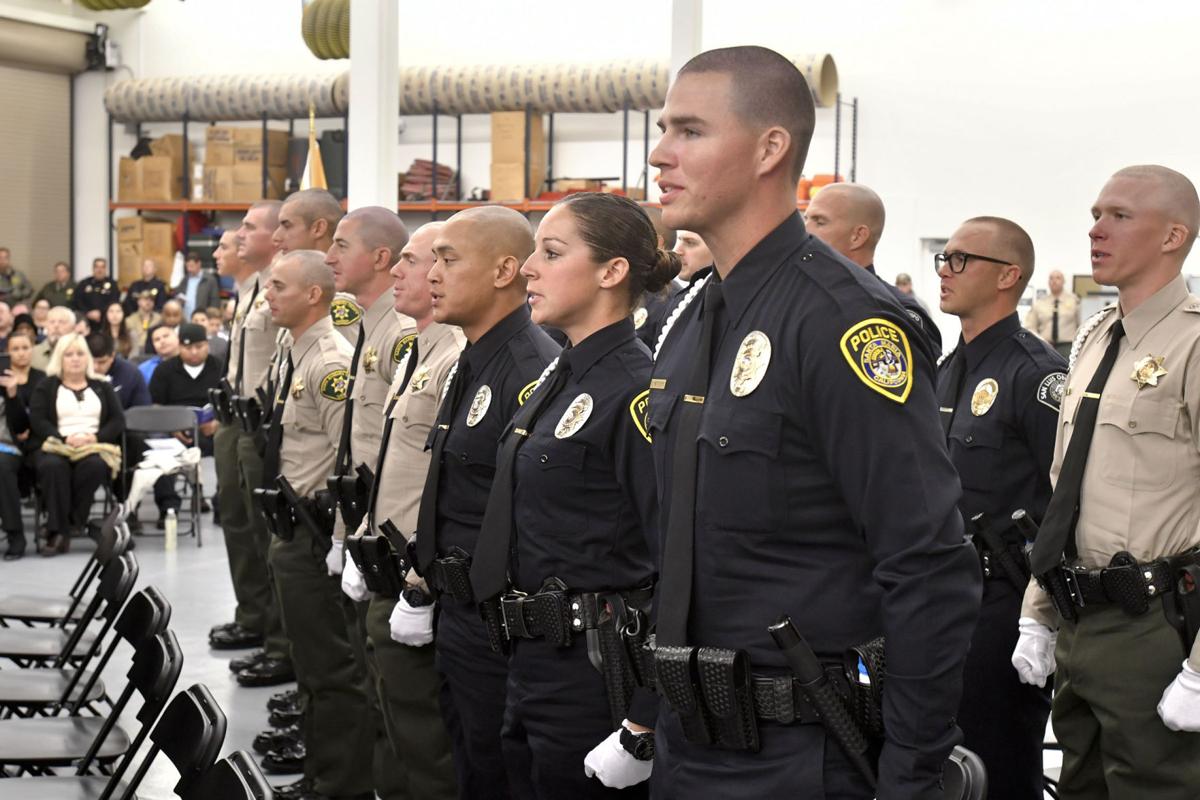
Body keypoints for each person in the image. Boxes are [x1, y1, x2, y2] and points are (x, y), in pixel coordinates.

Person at [646, 46, 980, 798]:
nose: (660, 154)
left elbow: (927, 564)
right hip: (688, 744)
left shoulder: (842, 321)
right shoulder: (695, 318)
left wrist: (912, 774)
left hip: (805, 754)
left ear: (771, 149)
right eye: (664, 130)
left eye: (690, 131)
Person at [467, 193, 670, 797]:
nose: (529, 269)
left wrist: (643, 720)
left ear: (612, 272)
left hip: (594, 670)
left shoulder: (634, 390)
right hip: (531, 656)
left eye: (552, 253)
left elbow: (675, 561)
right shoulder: (561, 373)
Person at [1016, 165, 1200, 798]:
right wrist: (1038, 611)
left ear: (1173, 235)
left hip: (1156, 624)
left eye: (1120, 216)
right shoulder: (1096, 337)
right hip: (1079, 620)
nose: (1096, 229)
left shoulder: (1194, 343)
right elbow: (1065, 488)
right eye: (1096, 214)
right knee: (1079, 785)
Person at [414, 205, 559, 799]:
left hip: (499, 628)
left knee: (498, 772)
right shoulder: (471, 359)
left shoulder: (530, 370)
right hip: (458, 611)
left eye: (448, 260)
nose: (432, 275)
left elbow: (533, 518)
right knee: (469, 762)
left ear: (504, 271)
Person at [935, 216, 1064, 799]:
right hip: (943, 595)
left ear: (1008, 276)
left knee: (1000, 761)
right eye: (944, 257)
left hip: (1004, 602)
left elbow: (1066, 500)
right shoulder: (947, 370)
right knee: (947, 759)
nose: (946, 269)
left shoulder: (1035, 374)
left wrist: (1044, 616)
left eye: (961, 259)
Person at [338, 221, 461, 800]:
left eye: (411, 260)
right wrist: (358, 535)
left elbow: (450, 488)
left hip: (417, 575)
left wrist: (420, 587)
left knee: (425, 743)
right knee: (391, 720)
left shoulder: (454, 358)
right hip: (384, 562)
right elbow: (388, 461)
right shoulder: (417, 350)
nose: (398, 271)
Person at [262, 249, 373, 800]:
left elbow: (350, 458)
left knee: (331, 669)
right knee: (308, 663)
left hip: (315, 533)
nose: (267, 295)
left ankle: (339, 785)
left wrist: (339, 543)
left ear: (312, 295)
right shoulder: (294, 347)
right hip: (291, 526)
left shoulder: (328, 363)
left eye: (278, 286)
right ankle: (319, 771)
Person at [321, 206, 417, 799]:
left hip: (388, 536)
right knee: (373, 680)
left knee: (392, 697)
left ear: (379, 257)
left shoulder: (400, 333)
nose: (330, 257)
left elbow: (397, 456)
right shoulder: (369, 326)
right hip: (362, 523)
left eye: (341, 244)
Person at [218, 202, 295, 693]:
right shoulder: (254, 289)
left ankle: (279, 641)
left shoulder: (284, 289)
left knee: (271, 541)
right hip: (239, 418)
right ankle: (257, 620)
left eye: (250, 227)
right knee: (241, 526)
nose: (239, 235)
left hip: (265, 425)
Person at [805, 182, 943, 355]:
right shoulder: (799, 299)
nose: (805, 230)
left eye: (819, 222)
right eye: (805, 219)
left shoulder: (895, 313)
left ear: (857, 236)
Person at [26, 333, 124, 556]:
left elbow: (118, 420)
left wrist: (95, 437)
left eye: (80, 353)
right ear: (59, 358)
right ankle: (61, 529)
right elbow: (38, 420)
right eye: (69, 354)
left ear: (87, 357)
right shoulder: (46, 386)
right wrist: (64, 439)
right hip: (56, 444)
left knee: (95, 466)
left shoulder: (102, 385)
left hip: (93, 445)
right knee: (53, 466)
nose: (75, 359)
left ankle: (64, 527)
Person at [148, 322, 221, 526]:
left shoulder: (220, 367)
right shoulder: (165, 370)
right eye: (188, 348)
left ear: (207, 345)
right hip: (175, 432)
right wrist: (171, 426)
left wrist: (217, 422)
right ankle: (168, 507)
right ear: (180, 347)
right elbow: (155, 407)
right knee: (159, 447)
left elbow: (229, 401)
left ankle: (222, 504)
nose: (194, 352)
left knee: (231, 442)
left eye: (199, 346)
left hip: (211, 429)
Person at [0, 330, 45, 560]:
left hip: (18, 446)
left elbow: (22, 427)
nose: (20, 353)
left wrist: (12, 395)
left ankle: (15, 535)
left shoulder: (41, 379)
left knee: (1, 466)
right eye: (15, 349)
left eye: (25, 348)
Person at [1024, 269, 1081, 358]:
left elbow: (1081, 325)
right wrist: (1040, 340)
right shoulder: (1040, 303)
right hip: (1045, 346)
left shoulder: (1074, 301)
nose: (1054, 281)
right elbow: (1030, 327)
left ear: (1064, 281)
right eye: (1051, 278)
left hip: (1068, 347)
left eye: (1058, 278)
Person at [87, 332, 150, 410]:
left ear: (112, 356)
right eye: (91, 361)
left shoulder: (131, 374)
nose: (95, 367)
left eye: (102, 362)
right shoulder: (76, 372)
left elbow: (143, 410)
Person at [173, 252, 221, 320]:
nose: (189, 269)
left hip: (202, 318)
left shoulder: (209, 280)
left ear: (199, 264)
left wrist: (212, 318)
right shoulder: (184, 279)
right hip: (185, 318)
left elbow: (214, 302)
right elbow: (178, 295)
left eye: (191, 266)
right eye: (187, 266)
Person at [73, 258, 119, 327]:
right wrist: (88, 312)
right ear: (93, 269)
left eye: (102, 267)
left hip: (106, 320)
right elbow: (77, 300)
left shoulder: (112, 284)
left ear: (106, 269)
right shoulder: (84, 283)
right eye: (97, 267)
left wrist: (101, 312)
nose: (99, 270)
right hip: (86, 320)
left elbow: (114, 301)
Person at [31, 306, 76, 372]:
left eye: (61, 322)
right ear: (46, 326)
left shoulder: (80, 354)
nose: (56, 326)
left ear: (72, 328)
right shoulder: (33, 353)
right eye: (52, 322)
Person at [126, 290, 162, 355]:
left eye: (151, 300)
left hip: (154, 351)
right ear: (138, 301)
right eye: (145, 299)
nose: (148, 302)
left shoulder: (159, 318)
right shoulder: (130, 320)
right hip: (135, 352)